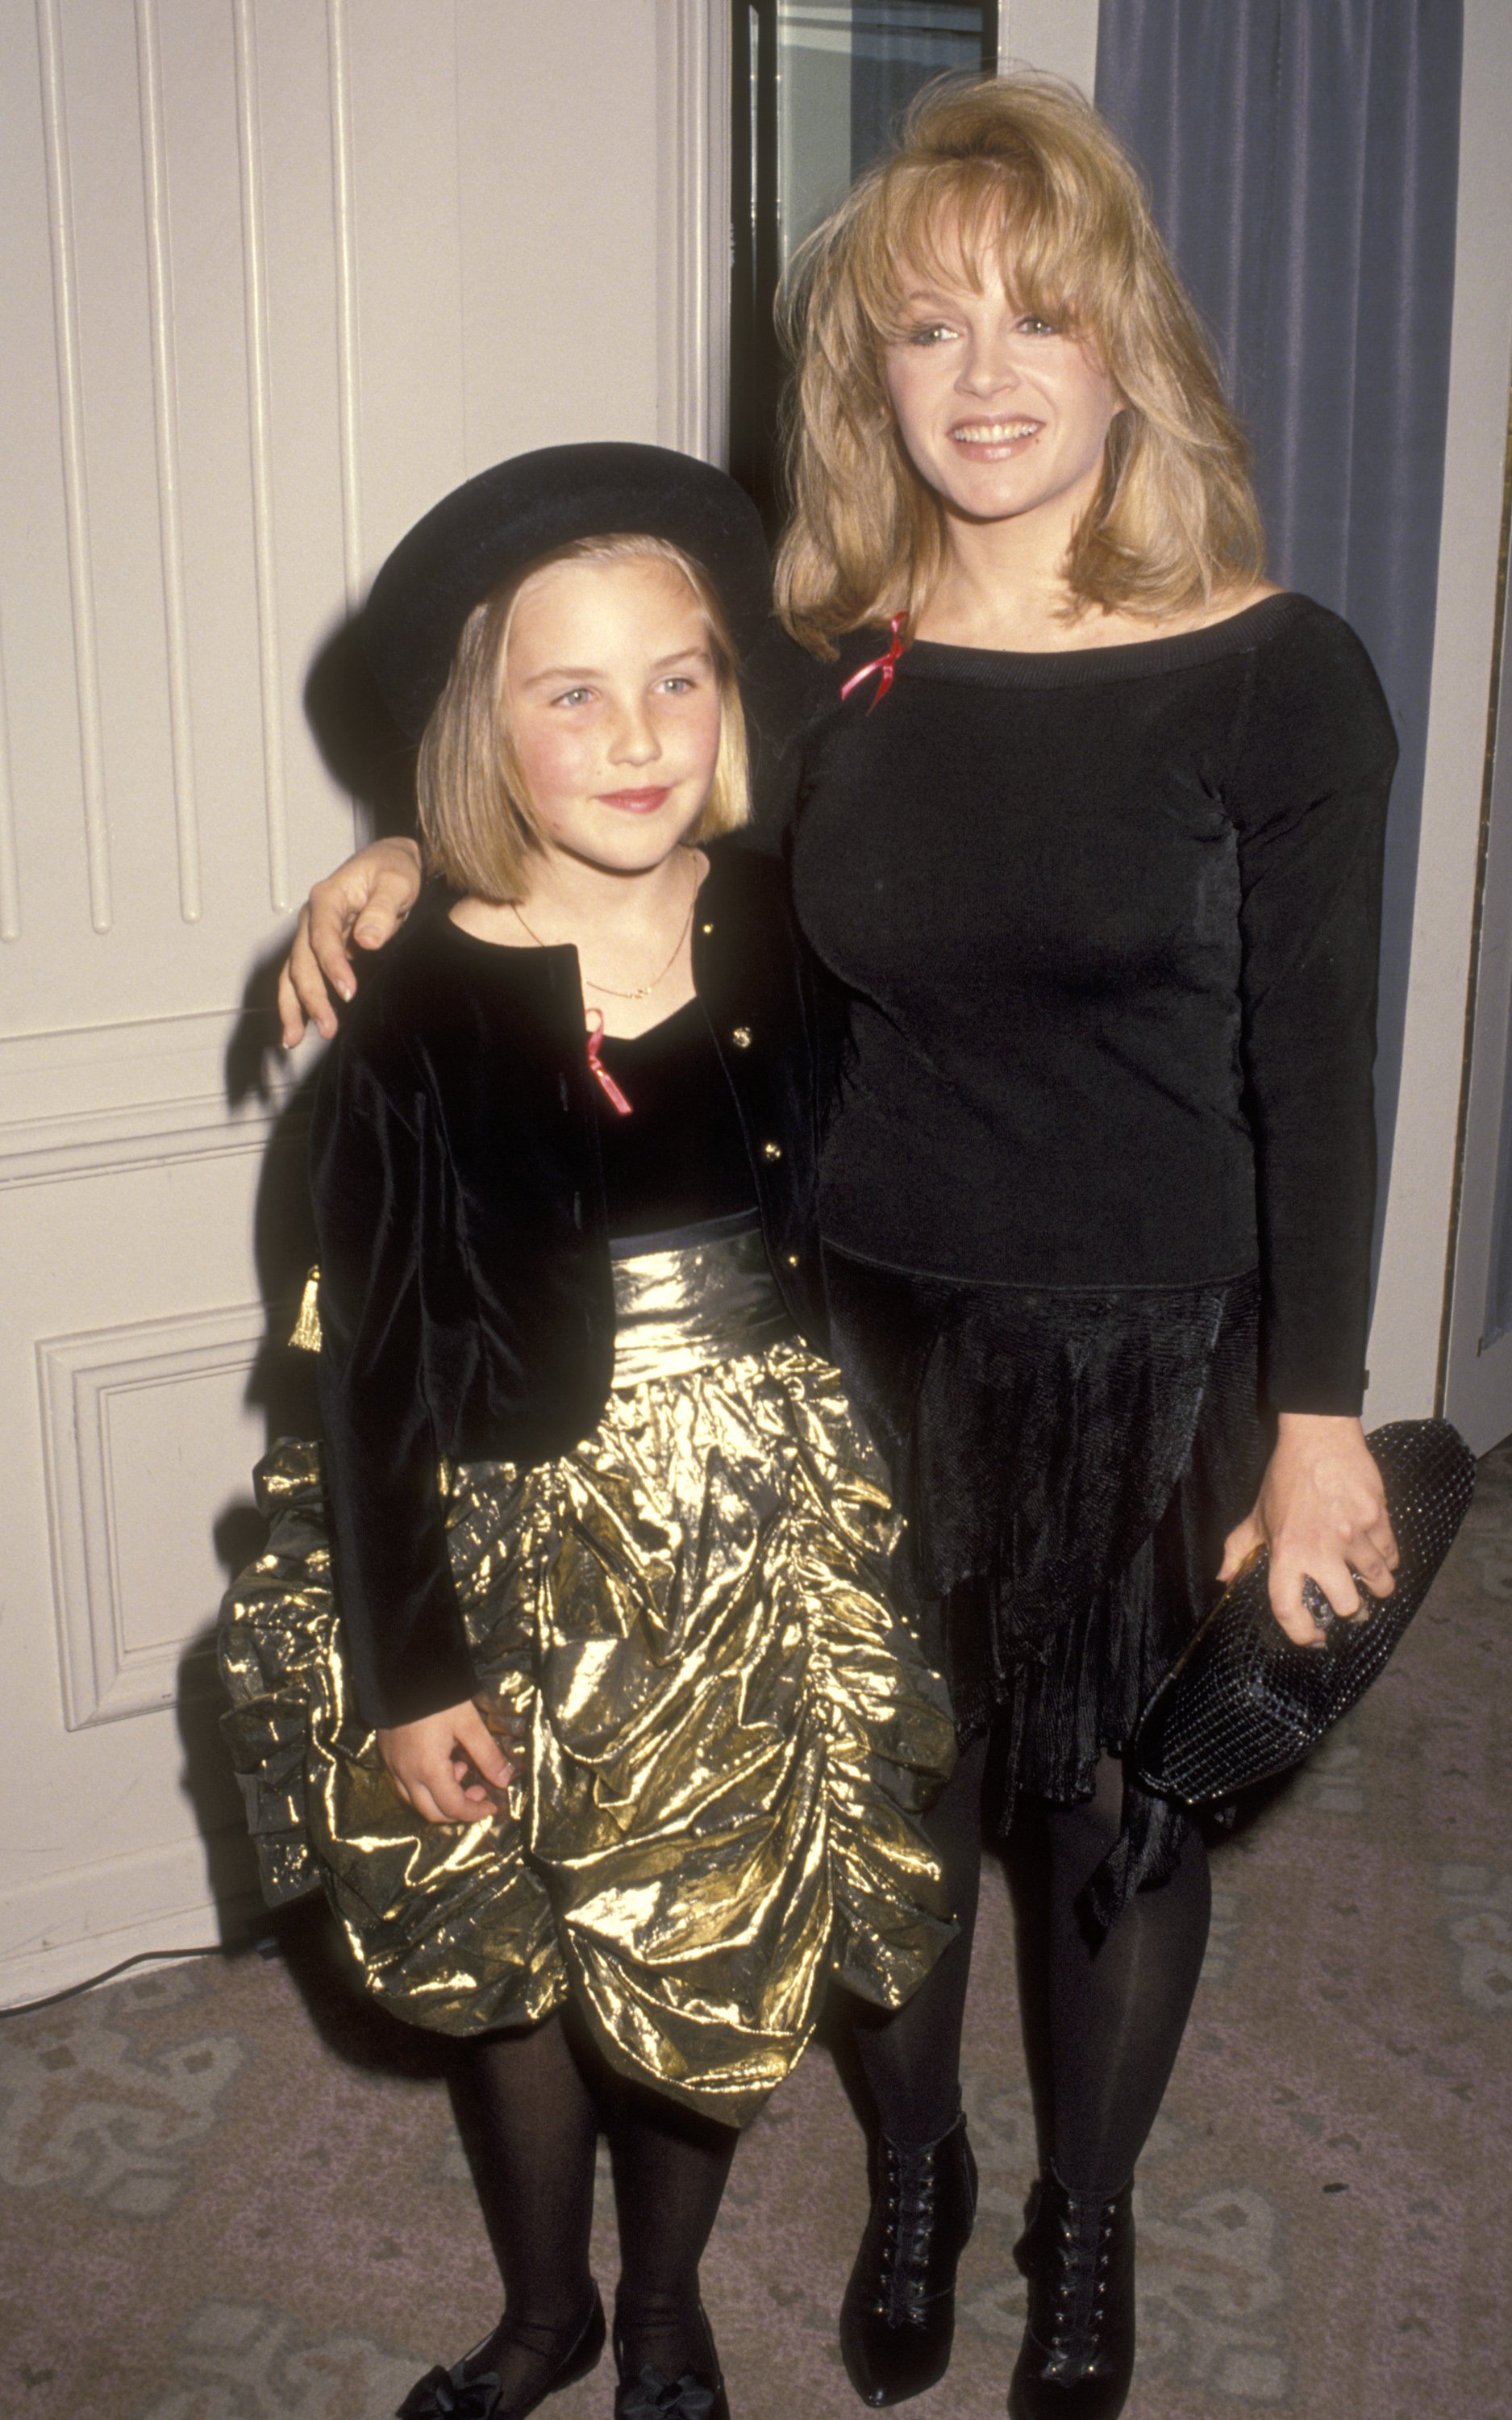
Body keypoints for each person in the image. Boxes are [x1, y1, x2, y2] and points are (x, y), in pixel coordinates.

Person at [277, 77, 1402, 2420]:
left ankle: (1082, 2232)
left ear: (1129, 350)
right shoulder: (825, 660)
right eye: (923, 329)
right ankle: (919, 2173)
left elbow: (1322, 1069)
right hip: (861, 1324)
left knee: (1104, 1817)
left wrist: (1310, 1419)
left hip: (1150, 1331)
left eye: (1040, 317)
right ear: (864, 378)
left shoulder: (1275, 676)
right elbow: (603, 758)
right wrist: (402, 861)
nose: (985, 375)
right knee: (871, 1804)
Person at [219, 444, 956, 2420]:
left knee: (687, 1923)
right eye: (571, 693)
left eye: (680, 677)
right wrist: (410, 1665)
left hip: (749, 1530)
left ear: (733, 695)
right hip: (493, 1531)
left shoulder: (803, 919)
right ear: (487, 725)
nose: (636, 737)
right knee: (513, 1939)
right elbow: (370, 1365)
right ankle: (545, 2305)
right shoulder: (416, 1004)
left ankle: (662, 2306)